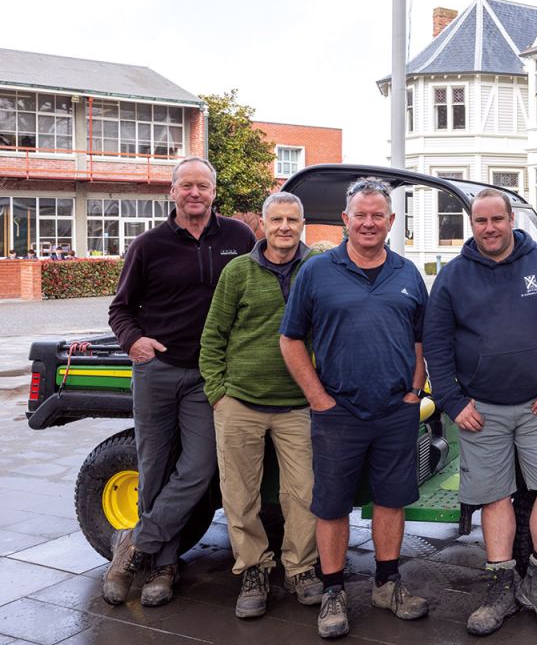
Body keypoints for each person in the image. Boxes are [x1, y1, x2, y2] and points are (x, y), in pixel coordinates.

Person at [424, 188, 537, 637]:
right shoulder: (453, 276)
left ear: (511, 219)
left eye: (497, 219)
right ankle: (500, 587)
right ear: (471, 224)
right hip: (482, 410)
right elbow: (436, 343)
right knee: (494, 497)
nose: (490, 228)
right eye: (481, 221)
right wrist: (454, 402)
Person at [279, 178, 430, 639]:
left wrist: (414, 390)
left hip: (394, 411)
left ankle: (387, 584)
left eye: (377, 216)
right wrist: (318, 398)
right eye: (359, 215)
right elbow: (290, 339)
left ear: (391, 222)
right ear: (346, 220)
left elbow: (421, 338)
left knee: (391, 499)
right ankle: (333, 591)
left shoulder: (407, 274)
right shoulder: (317, 272)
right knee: (332, 505)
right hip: (337, 411)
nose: (368, 223)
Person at [104, 156, 256, 607]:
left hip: (208, 375)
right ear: (172, 191)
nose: (195, 193)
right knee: (153, 468)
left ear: (213, 192)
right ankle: (162, 567)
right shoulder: (149, 245)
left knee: (200, 467)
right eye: (186, 186)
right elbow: (120, 308)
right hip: (158, 370)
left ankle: (134, 543)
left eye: (203, 186)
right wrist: (134, 341)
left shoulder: (238, 238)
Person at [199, 191, 322, 618]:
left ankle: (301, 568)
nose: (284, 227)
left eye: (292, 219)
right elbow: (213, 334)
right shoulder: (238, 271)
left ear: (302, 223)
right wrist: (219, 392)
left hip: (297, 404)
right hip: (241, 402)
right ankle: (253, 569)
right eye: (276, 220)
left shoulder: (318, 269)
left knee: (303, 493)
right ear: (264, 225)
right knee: (240, 494)